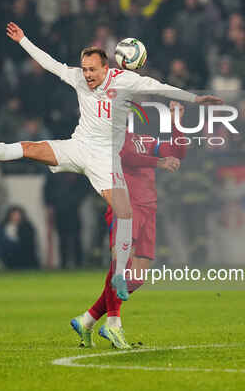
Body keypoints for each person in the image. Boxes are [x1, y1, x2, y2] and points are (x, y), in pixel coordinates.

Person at [0, 21, 221, 302]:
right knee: (30, 147)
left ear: (106, 68)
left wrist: (195, 98)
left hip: (105, 159)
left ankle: (119, 276)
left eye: (92, 70)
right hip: (78, 147)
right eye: (85, 68)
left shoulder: (125, 81)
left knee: (124, 212)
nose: (87, 74)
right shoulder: (78, 78)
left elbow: (161, 87)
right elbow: (49, 63)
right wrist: (23, 40)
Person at [71, 101, 187, 349]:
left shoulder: (142, 138)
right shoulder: (110, 140)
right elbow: (128, 157)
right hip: (125, 206)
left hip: (148, 208)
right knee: (121, 266)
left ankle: (88, 319)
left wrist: (177, 123)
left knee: (138, 276)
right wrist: (159, 163)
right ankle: (113, 325)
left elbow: (177, 152)